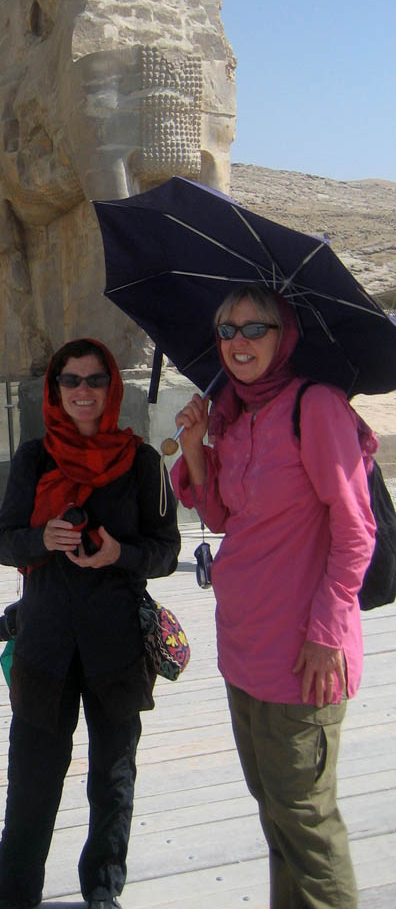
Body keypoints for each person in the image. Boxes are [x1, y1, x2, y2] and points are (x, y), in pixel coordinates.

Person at [172, 283, 375, 909]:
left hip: (304, 654)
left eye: (254, 327)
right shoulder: (235, 414)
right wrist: (195, 449)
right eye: (227, 330)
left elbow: (356, 531)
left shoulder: (315, 407)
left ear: (284, 335)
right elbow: (222, 516)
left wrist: (327, 633)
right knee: (276, 812)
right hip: (244, 647)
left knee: (306, 819)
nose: (238, 342)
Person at [0, 338, 180, 909]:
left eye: (95, 380)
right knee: (32, 773)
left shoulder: (142, 462)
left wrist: (119, 554)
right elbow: (5, 543)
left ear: (113, 388)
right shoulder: (34, 458)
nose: (83, 391)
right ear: (55, 390)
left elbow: (165, 552)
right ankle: (15, 891)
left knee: (113, 775)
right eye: (71, 380)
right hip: (46, 642)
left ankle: (103, 892)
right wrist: (44, 538)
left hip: (117, 644)